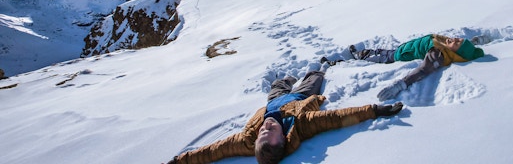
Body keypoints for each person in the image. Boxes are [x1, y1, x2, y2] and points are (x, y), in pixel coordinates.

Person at [168, 69, 404, 164]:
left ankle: (287, 79)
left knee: (278, 83)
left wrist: (178, 162)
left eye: (261, 132)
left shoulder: (247, 141)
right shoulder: (302, 125)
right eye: (268, 133)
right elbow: (339, 117)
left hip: (273, 101)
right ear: (282, 137)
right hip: (299, 100)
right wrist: (376, 110)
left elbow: (211, 152)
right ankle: (315, 71)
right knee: (315, 78)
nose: (264, 129)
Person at [322, 34, 488, 101]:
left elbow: (423, 70)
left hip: (400, 56)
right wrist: (475, 42)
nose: (456, 39)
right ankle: (359, 53)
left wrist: (399, 85)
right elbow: (466, 49)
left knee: (378, 57)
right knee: (380, 52)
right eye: (459, 39)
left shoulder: (439, 54)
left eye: (458, 43)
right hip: (404, 48)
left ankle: (342, 63)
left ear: (456, 53)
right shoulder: (450, 46)